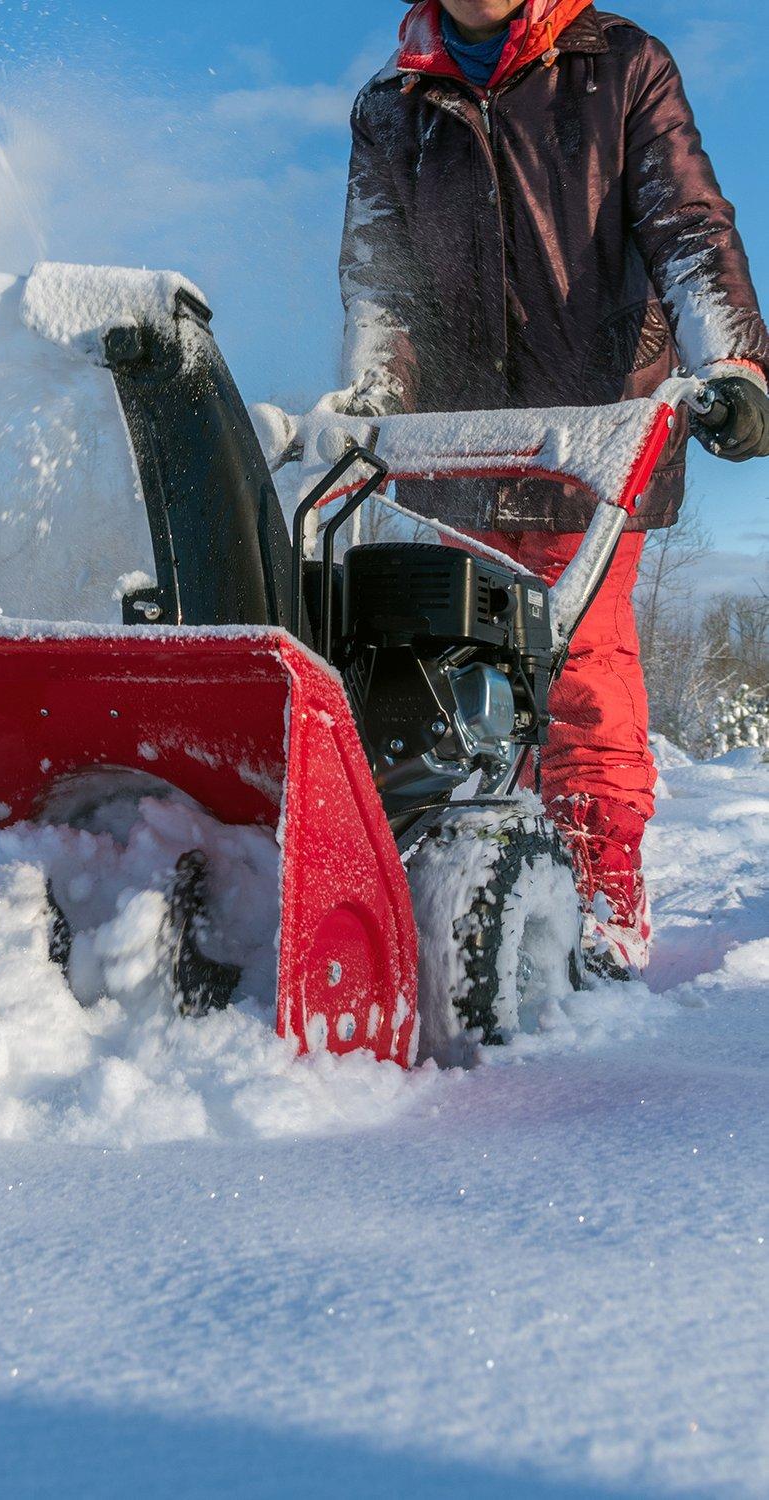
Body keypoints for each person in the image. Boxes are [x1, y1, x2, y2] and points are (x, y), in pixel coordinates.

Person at [338, 0, 769, 972]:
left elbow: (689, 232)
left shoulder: (619, 64)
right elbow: (379, 279)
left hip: (594, 442)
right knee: (435, 682)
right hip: (452, 451)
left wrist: (735, 364)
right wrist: (372, 391)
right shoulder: (390, 102)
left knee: (581, 677)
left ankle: (602, 900)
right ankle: (444, 892)